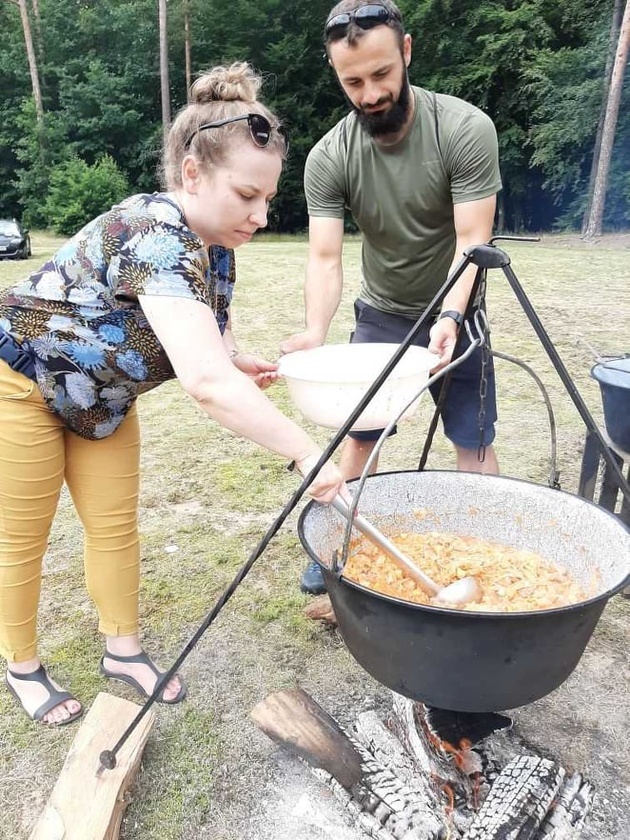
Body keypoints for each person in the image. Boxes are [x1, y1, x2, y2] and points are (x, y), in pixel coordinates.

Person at [0, 61, 346, 726]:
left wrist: (236, 355)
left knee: (114, 529)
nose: (262, 215)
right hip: (22, 381)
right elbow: (205, 384)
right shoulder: (157, 233)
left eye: (268, 199)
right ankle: (21, 664)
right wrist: (308, 454)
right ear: (193, 173)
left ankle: (122, 652)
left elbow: (209, 338)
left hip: (100, 400)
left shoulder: (212, 245)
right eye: (247, 195)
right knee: (23, 540)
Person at [280, 0, 503, 595]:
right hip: (381, 315)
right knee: (360, 437)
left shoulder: (464, 129)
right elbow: (325, 257)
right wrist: (311, 330)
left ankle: (478, 548)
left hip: (460, 311)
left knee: (472, 438)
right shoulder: (329, 156)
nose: (370, 93)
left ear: (405, 52)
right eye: (353, 81)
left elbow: (472, 243)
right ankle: (341, 542)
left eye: (380, 74)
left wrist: (453, 312)